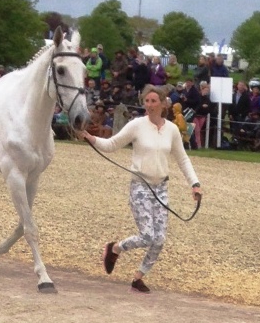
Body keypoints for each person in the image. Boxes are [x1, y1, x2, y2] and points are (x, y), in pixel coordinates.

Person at [77, 85, 202, 294]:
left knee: (159, 239)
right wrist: (91, 138)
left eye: (154, 101)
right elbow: (112, 144)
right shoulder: (136, 125)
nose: (150, 105)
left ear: (163, 104)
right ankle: (115, 248)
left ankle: (138, 278)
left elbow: (182, 159)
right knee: (147, 235)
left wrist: (195, 184)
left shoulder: (171, 129)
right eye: (147, 101)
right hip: (140, 187)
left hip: (161, 187)